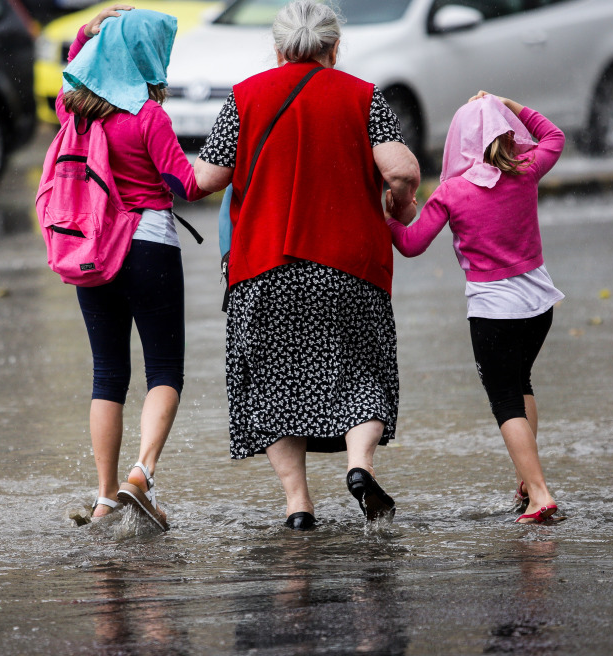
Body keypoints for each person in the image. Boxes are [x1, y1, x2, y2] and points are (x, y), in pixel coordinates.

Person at [193, 0, 421, 530]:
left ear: (276, 49)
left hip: (264, 267)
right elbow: (400, 168)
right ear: (334, 47)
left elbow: (205, 179)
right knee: (360, 373)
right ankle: (359, 466)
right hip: (349, 267)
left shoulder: (245, 97)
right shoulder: (364, 97)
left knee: (274, 385)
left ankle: (298, 505)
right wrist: (400, 201)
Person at [57, 4, 210, 530]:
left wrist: (89, 30)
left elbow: (71, 66)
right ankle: (141, 474)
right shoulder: (149, 117)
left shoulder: (74, 110)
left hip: (92, 251)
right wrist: (234, 166)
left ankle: (103, 499)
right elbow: (186, 186)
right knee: (165, 370)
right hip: (148, 246)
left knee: (107, 375)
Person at [387, 91, 564, 524]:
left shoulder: (452, 193)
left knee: (505, 401)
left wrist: (388, 215)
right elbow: (554, 136)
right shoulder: (525, 171)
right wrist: (510, 102)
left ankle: (540, 493)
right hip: (539, 305)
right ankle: (527, 479)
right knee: (521, 384)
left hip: (494, 312)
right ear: (506, 132)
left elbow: (411, 244)